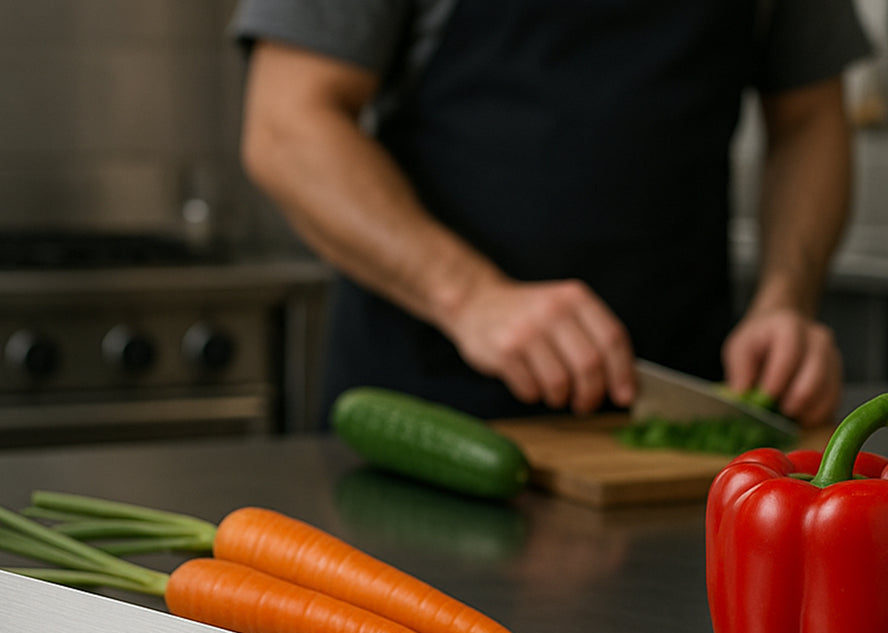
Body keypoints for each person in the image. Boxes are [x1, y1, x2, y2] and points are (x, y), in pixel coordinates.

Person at [231, 2, 870, 427]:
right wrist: (470, 297)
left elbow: (808, 119)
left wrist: (785, 299)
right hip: (424, 419)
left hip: (682, 421)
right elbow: (288, 124)